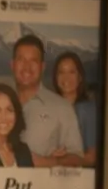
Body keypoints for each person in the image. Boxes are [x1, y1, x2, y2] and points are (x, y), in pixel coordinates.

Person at [11, 33, 84, 167]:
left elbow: (78, 159)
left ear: (42, 67)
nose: (27, 67)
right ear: (12, 65)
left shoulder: (62, 107)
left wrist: (48, 162)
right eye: (21, 60)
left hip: (43, 187)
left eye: (33, 61)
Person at [53, 50, 98, 166]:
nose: (66, 77)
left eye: (71, 72)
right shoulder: (49, 108)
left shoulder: (89, 110)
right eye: (61, 72)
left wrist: (64, 159)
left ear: (80, 77)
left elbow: (92, 157)